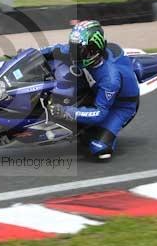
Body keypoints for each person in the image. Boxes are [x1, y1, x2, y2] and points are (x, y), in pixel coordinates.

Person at [40, 20, 140, 160]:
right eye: (73, 48)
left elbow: (100, 113)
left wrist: (65, 111)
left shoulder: (110, 78)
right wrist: (30, 56)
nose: (74, 54)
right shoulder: (80, 52)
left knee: (98, 148)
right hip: (93, 85)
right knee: (54, 65)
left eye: (80, 51)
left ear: (94, 50)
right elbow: (54, 49)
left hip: (120, 106)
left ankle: (98, 136)